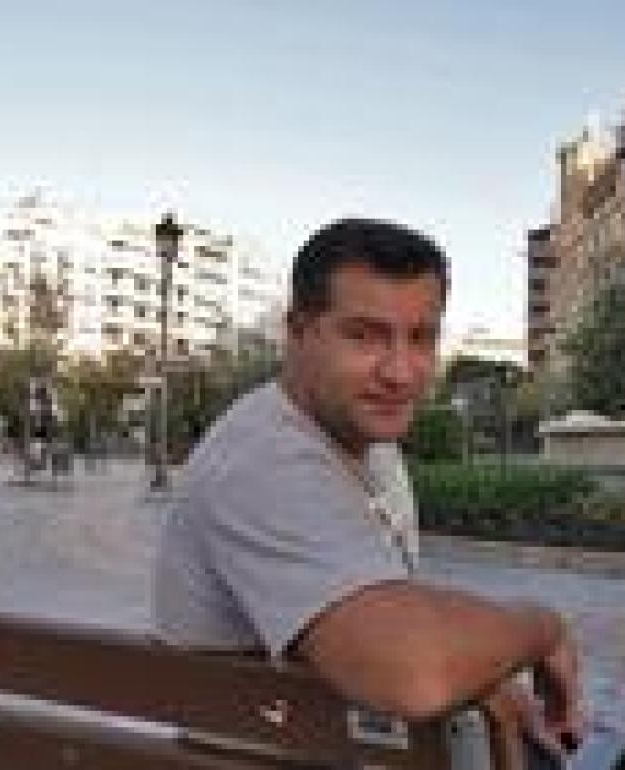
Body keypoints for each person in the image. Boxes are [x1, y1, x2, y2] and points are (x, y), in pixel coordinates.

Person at [153, 219, 584, 765]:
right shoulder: (264, 461)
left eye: (421, 338)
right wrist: (543, 627)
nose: (400, 373)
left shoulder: (362, 439)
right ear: (298, 332)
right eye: (364, 336)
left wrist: (485, 679)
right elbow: (412, 673)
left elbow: (386, 620)